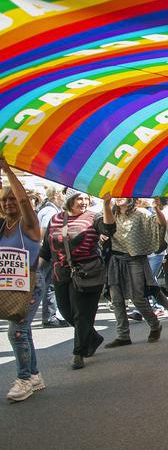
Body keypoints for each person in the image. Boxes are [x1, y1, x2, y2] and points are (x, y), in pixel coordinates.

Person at [39, 189, 116, 369]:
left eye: (86, 198)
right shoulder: (55, 219)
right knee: (66, 312)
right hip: (61, 274)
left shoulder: (93, 217)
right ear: (69, 200)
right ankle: (93, 337)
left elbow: (109, 229)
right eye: (79, 198)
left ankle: (78, 352)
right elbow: (46, 249)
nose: (83, 202)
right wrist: (34, 269)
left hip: (87, 273)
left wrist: (106, 205)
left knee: (81, 313)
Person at [1, 159, 44, 401]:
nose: (9, 203)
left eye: (12, 199)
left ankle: (24, 379)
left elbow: (25, 201)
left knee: (16, 332)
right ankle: (35, 375)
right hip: (9, 286)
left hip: (30, 285)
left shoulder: (29, 225)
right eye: (4, 200)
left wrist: (7, 171)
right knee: (23, 330)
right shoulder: (2, 227)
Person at [104, 198, 167, 347]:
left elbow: (161, 225)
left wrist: (157, 209)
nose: (119, 198)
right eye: (116, 195)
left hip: (135, 259)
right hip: (115, 259)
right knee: (116, 299)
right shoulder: (111, 212)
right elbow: (105, 227)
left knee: (137, 297)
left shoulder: (141, 213)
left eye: (123, 195)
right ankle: (123, 335)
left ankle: (154, 325)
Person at [35, 187, 67, 328]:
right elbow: (43, 232)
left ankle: (51, 315)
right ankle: (49, 317)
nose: (64, 197)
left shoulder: (48, 209)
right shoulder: (50, 211)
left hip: (45, 250)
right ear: (56, 195)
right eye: (62, 194)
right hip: (47, 252)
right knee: (49, 285)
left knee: (48, 284)